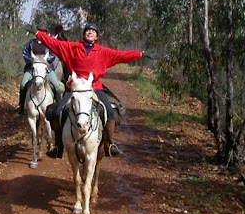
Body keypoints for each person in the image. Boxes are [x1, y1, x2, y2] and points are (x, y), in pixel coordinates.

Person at [26, 23, 155, 157]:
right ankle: (58, 146)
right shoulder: (72, 47)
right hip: (75, 87)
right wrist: (37, 33)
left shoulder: (103, 52)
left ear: (97, 36)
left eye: (93, 32)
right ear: (84, 34)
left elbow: (122, 55)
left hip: (95, 87)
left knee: (110, 112)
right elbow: (54, 43)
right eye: (87, 31)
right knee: (58, 111)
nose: (90, 33)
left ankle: (109, 144)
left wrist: (141, 54)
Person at [17, 33, 65, 115]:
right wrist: (33, 61)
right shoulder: (30, 44)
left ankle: (58, 109)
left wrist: (44, 61)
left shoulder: (49, 44)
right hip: (32, 68)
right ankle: (21, 107)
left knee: (57, 86)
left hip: (47, 69)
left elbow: (53, 55)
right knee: (23, 84)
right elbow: (25, 54)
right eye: (39, 31)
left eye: (43, 31)